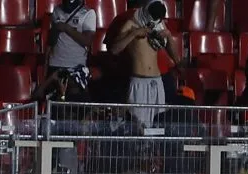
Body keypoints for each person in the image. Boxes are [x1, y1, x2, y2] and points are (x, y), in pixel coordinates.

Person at [109, 0, 181, 128]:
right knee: (139, 126)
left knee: (157, 126)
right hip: (139, 81)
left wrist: (169, 36)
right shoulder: (130, 24)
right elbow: (115, 49)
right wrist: (134, 33)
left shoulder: (159, 23)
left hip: (157, 81)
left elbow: (176, 57)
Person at [44, 0, 97, 103]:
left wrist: (66, 28)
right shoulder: (57, 10)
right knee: (55, 106)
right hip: (55, 64)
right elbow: (51, 41)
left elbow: (87, 41)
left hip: (76, 67)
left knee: (74, 107)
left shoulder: (89, 13)